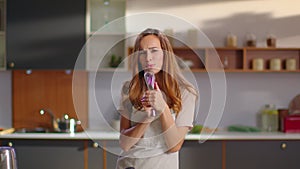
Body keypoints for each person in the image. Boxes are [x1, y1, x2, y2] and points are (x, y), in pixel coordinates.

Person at [116, 28, 198, 169]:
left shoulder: (186, 92)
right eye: (142, 52)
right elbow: (125, 143)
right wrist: (147, 119)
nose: (148, 58)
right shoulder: (129, 88)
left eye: (154, 50)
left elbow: (174, 146)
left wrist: (162, 108)